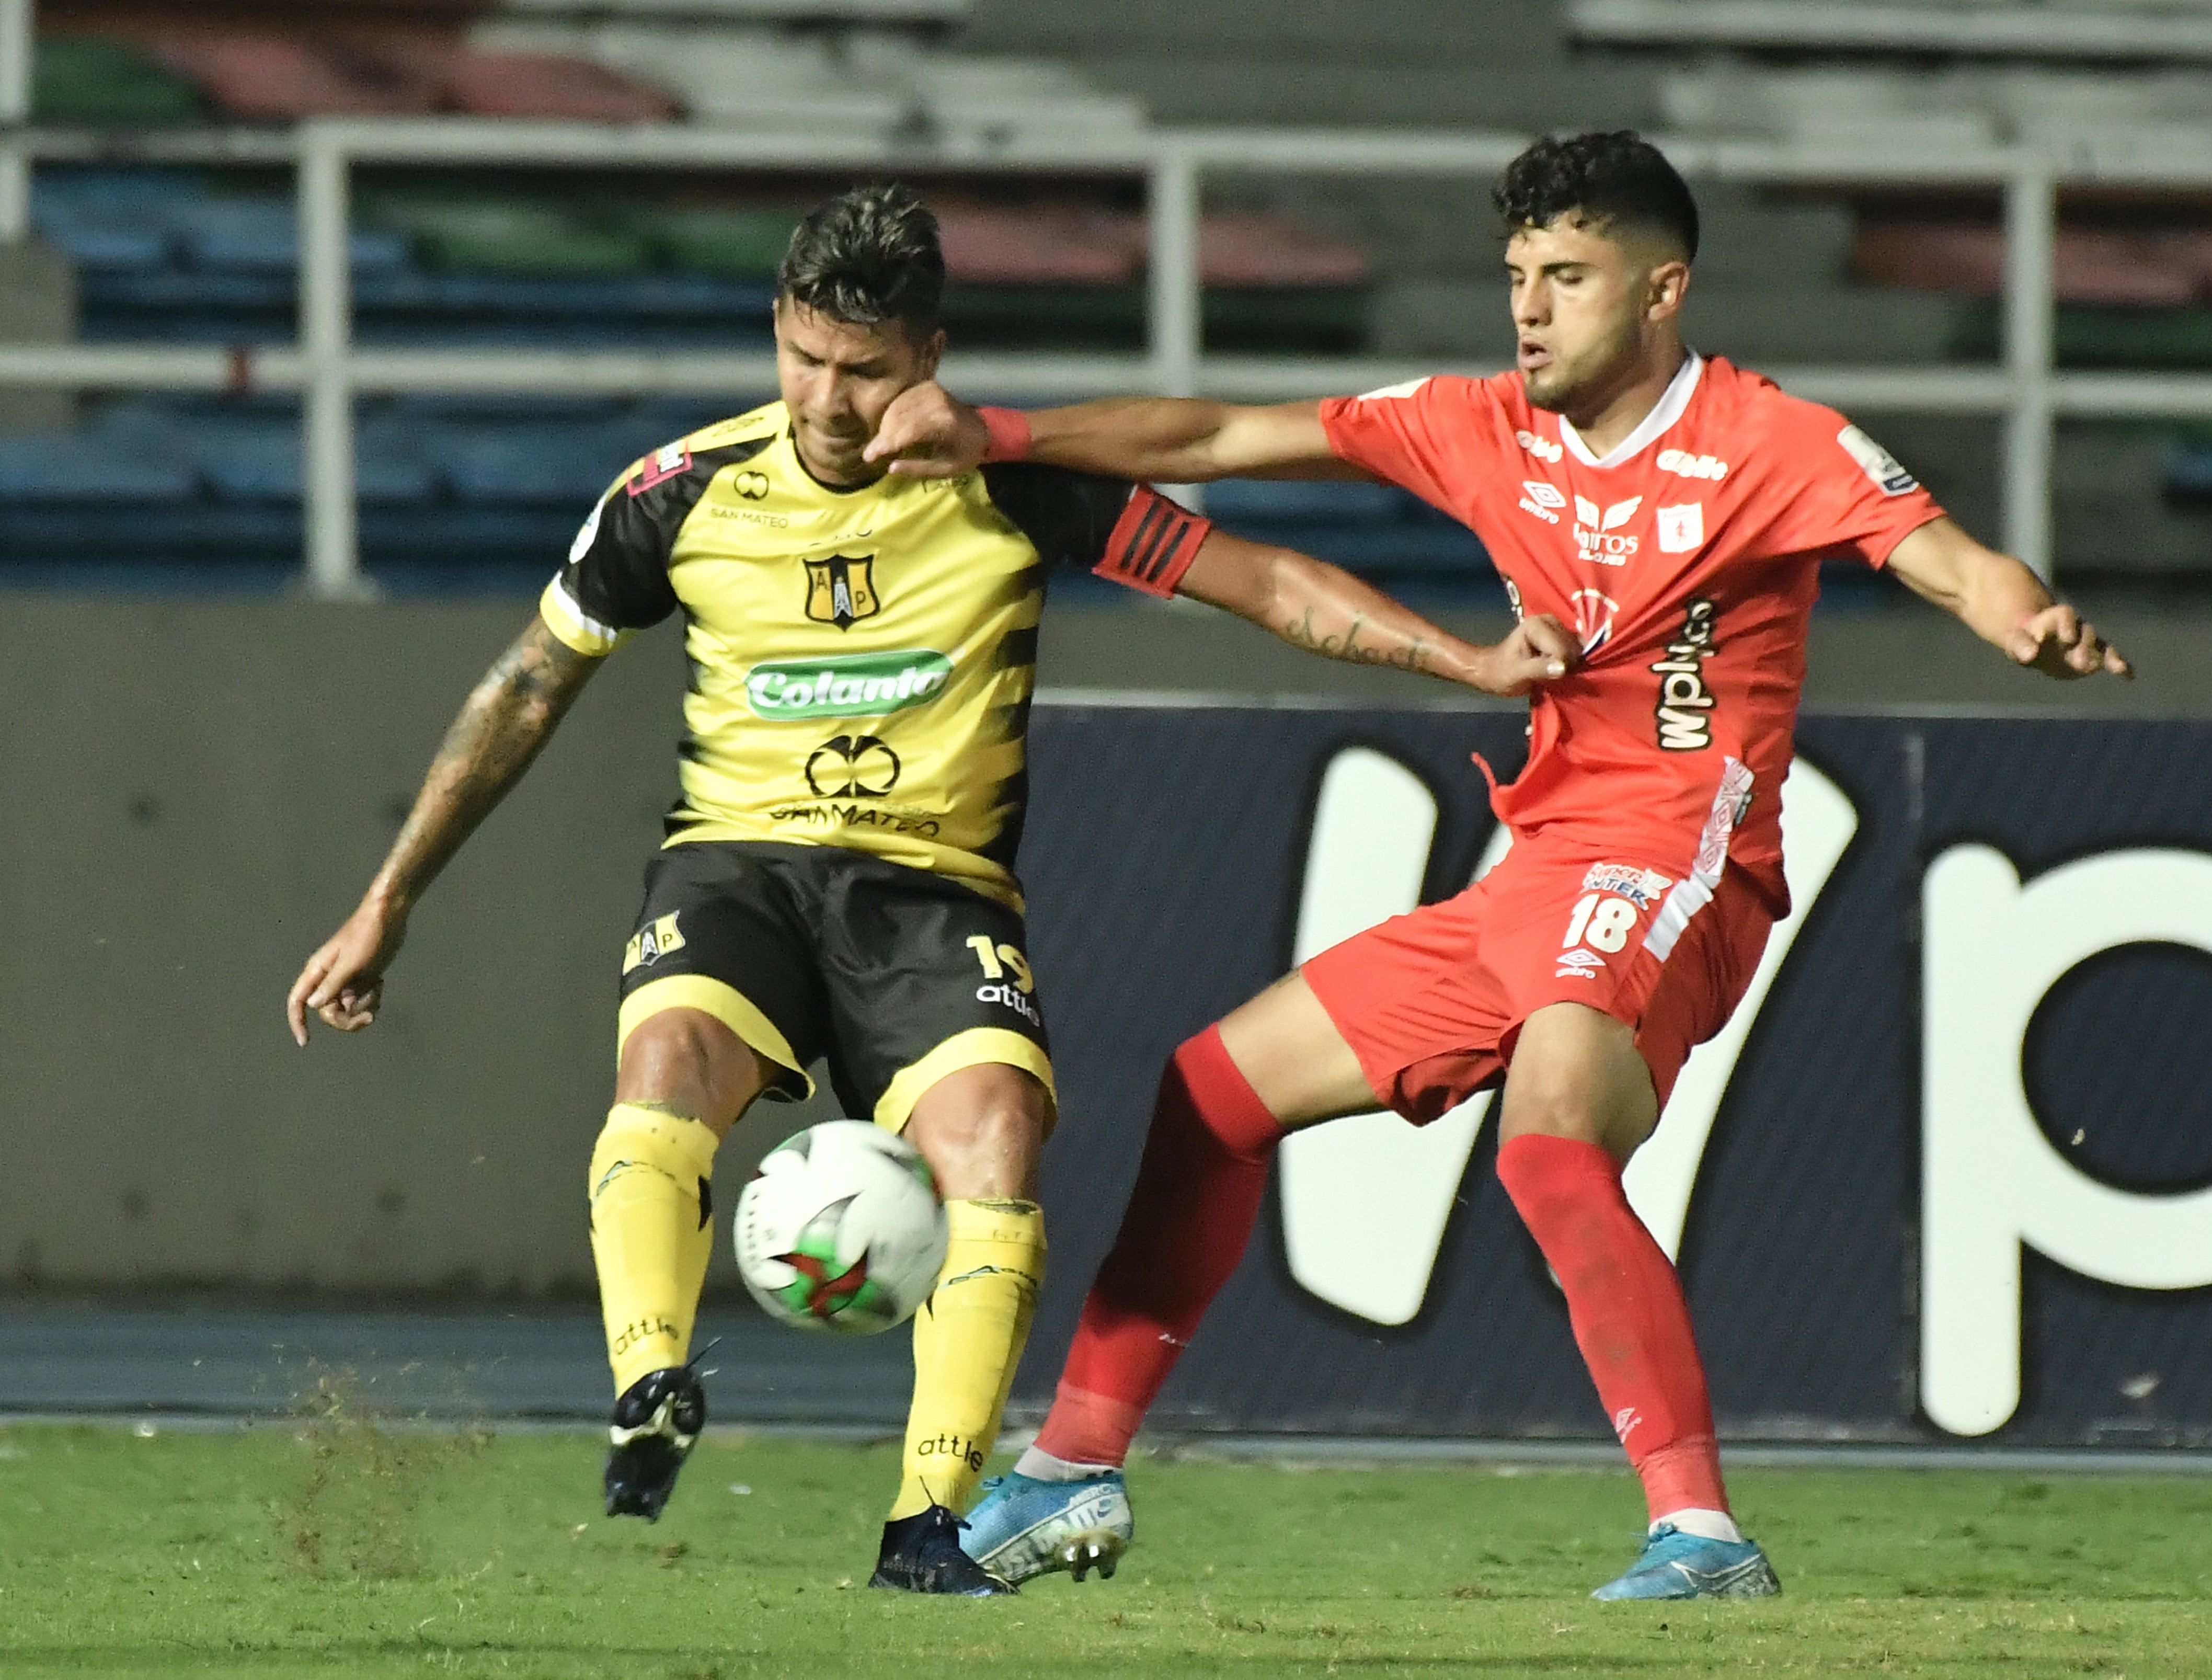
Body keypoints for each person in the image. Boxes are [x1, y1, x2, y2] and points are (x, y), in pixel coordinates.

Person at [864, 131, 2136, 1601]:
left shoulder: (1765, 441)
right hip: (1530, 875)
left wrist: (2023, 619)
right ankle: (1070, 1474)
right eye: (1518, 275)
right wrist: (1002, 437)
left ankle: (1700, 1534)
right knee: (1212, 1090)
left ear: (1662, 291)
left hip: (1675, 864)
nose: (1528, 309)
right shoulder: (1476, 423)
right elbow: (1214, 440)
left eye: (1568, 277)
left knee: (1544, 1142)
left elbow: (1939, 554)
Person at [284, 184, 1569, 1597]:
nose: (831, 402)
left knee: (998, 1141)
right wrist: (389, 896)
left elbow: (1256, 581)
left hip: (929, 898)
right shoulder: (677, 496)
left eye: (868, 371)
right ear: (776, 333)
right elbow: (529, 684)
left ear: (929, 356)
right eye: (806, 362)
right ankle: (650, 1387)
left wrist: (1463, 661)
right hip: (739, 871)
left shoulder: (1008, 481)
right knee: (661, 1066)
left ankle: (924, 1529)